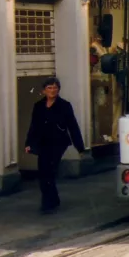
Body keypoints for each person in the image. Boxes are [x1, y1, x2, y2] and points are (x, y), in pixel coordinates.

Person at [24, 77, 86, 213]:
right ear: (44, 91)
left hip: (58, 142)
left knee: (49, 171)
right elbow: (33, 126)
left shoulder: (64, 105)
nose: (53, 90)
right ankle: (52, 199)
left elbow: (73, 126)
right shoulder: (38, 106)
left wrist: (80, 147)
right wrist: (29, 143)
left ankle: (48, 203)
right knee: (43, 172)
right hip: (43, 143)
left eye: (55, 88)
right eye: (49, 88)